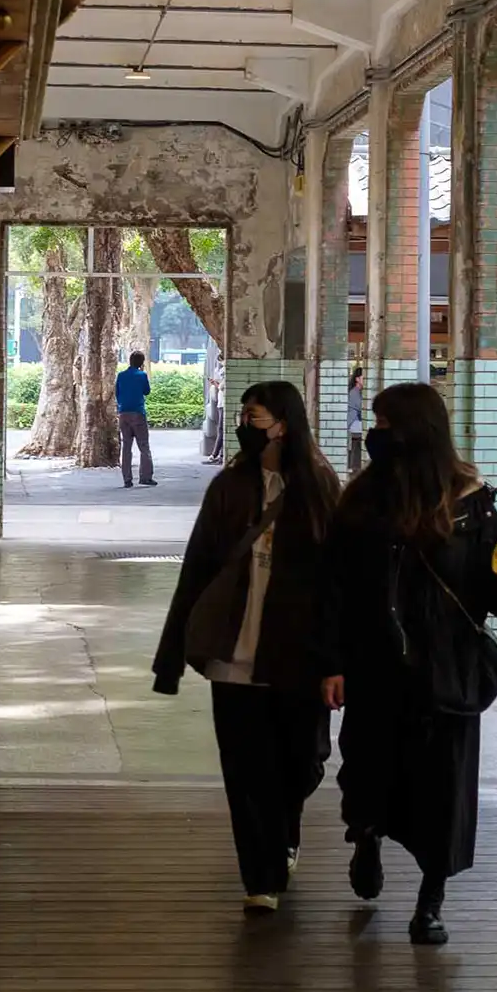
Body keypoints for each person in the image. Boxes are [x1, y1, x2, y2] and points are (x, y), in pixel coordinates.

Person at [320, 382, 497, 946]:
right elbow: (333, 589)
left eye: (383, 425)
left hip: (447, 671)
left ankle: (431, 902)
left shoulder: (472, 505)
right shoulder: (361, 500)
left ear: (413, 432)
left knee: (443, 788)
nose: (374, 435)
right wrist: (331, 662)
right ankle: (368, 838)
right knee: (369, 771)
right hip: (376, 665)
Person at [152, 381, 341, 914]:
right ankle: (260, 877)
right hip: (231, 656)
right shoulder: (228, 488)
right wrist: (171, 658)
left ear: (284, 422)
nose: (246, 425)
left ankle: (285, 833)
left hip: (298, 658)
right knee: (244, 769)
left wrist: (337, 660)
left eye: (255, 416)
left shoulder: (321, 487)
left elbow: (339, 584)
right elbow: (196, 570)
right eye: (244, 416)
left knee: (302, 763)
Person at [115, 350, 156, 488]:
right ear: (141, 363)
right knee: (143, 446)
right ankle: (145, 477)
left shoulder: (121, 376)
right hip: (138, 413)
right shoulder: (142, 375)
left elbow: (117, 393)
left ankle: (127, 479)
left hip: (123, 413)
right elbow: (147, 391)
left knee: (126, 447)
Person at [346, 367, 365, 474]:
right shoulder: (354, 393)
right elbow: (361, 408)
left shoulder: (358, 392)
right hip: (353, 424)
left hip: (356, 424)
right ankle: (355, 467)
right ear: (357, 379)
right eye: (364, 378)